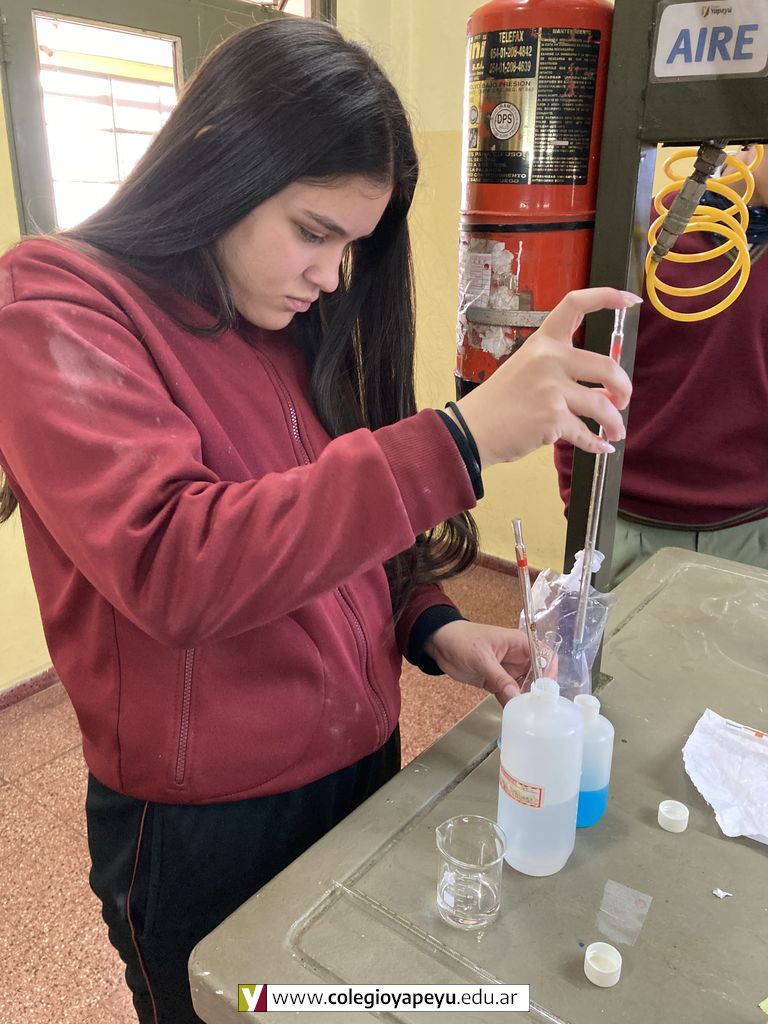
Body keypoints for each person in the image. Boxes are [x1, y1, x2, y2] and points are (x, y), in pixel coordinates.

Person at [0, 18, 634, 1024]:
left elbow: (326, 519)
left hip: (360, 762)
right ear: (218, 161)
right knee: (240, 1007)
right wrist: (462, 438)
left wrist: (433, 623)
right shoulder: (57, 303)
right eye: (312, 231)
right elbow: (176, 562)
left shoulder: (284, 313)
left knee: (335, 1003)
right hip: (207, 823)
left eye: (351, 244)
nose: (332, 274)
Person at [556, 143, 768, 588]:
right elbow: (574, 374)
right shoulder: (639, 237)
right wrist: (581, 505)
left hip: (753, 531)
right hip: (627, 526)